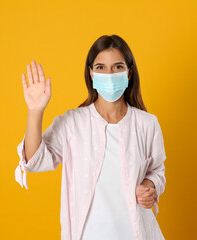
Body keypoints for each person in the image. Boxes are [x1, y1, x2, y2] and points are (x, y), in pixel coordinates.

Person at [15, 34, 167, 240]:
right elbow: (34, 161)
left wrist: (149, 187)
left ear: (129, 72)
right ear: (91, 73)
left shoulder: (147, 124)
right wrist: (35, 111)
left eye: (118, 67)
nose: (110, 73)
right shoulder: (73, 123)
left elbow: (157, 171)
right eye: (101, 67)